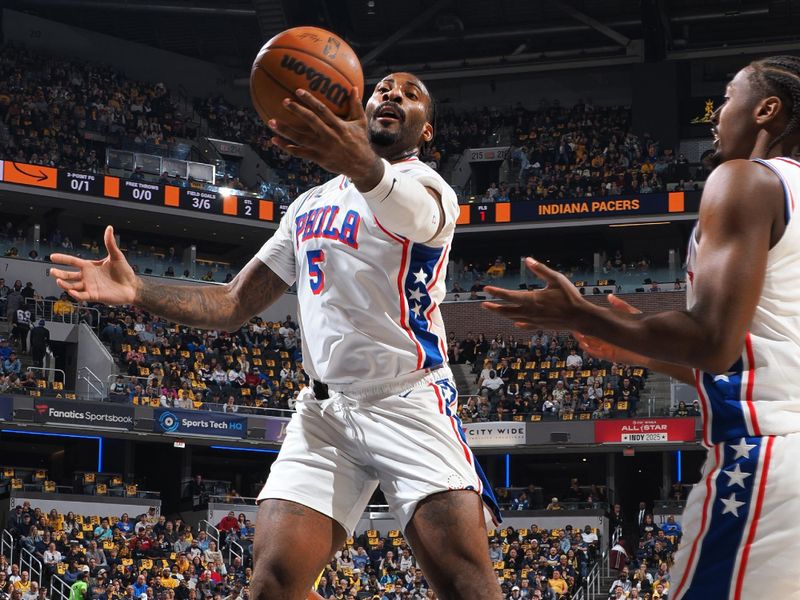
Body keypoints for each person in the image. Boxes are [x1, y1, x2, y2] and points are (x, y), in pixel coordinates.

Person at [49, 71, 501, 600]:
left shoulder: (429, 190)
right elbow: (235, 302)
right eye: (383, 88)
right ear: (362, 104)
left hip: (409, 400)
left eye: (411, 93)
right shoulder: (309, 205)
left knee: (465, 585)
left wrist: (352, 156)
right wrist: (139, 292)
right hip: (324, 412)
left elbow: (406, 208)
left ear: (426, 132)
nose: (394, 95)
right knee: (271, 587)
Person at [483, 55, 800, 599]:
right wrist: (637, 351)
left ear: (767, 109)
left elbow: (714, 343)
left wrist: (579, 312)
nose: (716, 114)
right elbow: (763, 346)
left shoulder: (745, 179)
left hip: (766, 461)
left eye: (727, 97)